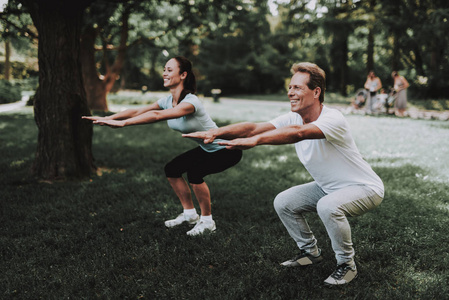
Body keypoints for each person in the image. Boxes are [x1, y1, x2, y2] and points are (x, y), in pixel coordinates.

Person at [184, 62, 384, 286]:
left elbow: (298, 134)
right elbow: (254, 128)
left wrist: (256, 142)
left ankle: (347, 265)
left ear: (316, 92)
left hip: (365, 188)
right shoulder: (294, 117)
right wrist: (216, 131)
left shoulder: (333, 119)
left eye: (297, 88)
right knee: (284, 202)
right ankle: (310, 253)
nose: (290, 92)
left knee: (328, 206)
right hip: (328, 187)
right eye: (290, 87)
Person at [83, 56, 242, 236]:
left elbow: (158, 116)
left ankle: (207, 221)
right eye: (164, 69)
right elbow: (137, 111)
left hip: (227, 149)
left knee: (195, 174)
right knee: (172, 169)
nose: (164, 73)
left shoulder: (191, 102)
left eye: (169, 70)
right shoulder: (168, 100)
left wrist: (124, 124)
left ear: (183, 75)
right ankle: (190, 215)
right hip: (208, 148)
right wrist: (108, 118)